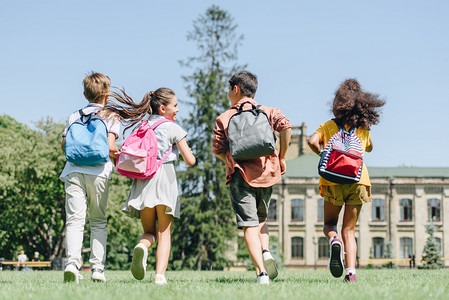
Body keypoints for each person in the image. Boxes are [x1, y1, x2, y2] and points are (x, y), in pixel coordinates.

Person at [104, 87, 196, 285]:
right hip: (165, 178)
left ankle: (142, 246)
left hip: (143, 179)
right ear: (163, 108)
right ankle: (159, 275)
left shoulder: (142, 127)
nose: (178, 110)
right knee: (164, 232)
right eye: (175, 105)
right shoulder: (173, 128)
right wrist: (192, 157)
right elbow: (189, 160)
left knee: (149, 232)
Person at [212, 71, 292, 284]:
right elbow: (286, 126)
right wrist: (281, 157)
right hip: (267, 175)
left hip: (241, 177)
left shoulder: (225, 117)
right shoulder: (268, 111)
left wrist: (231, 160)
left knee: (249, 224)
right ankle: (266, 251)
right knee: (261, 220)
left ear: (235, 89)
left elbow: (217, 149)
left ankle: (261, 273)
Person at [308, 79, 385, 283]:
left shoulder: (328, 126)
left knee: (329, 224)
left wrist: (324, 154)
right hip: (359, 180)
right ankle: (351, 274)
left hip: (333, 180)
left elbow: (311, 141)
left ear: (338, 103)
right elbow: (369, 147)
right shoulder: (363, 128)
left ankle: (334, 241)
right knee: (349, 230)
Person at [60, 72, 120, 283]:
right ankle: (97, 269)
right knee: (98, 220)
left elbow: (64, 146)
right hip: (99, 172)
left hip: (73, 170)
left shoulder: (74, 116)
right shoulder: (111, 116)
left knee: (75, 220)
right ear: (107, 94)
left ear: (85, 94)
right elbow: (111, 147)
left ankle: (72, 264)